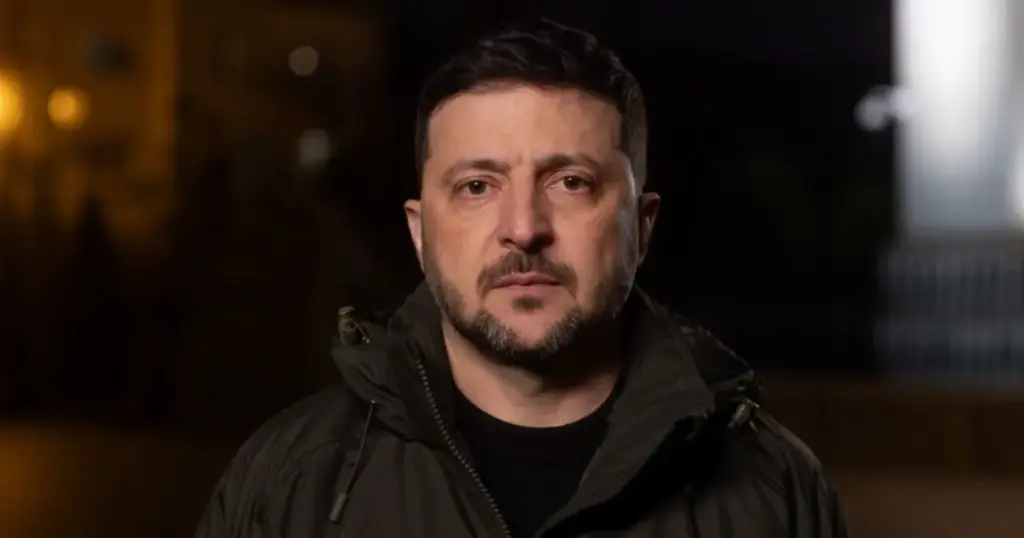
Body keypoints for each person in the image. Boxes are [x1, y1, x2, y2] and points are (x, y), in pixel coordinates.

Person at [195, 19, 849, 538]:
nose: (524, 227)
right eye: (477, 186)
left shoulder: (775, 491)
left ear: (642, 227)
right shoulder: (290, 481)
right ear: (420, 233)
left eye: (570, 182)